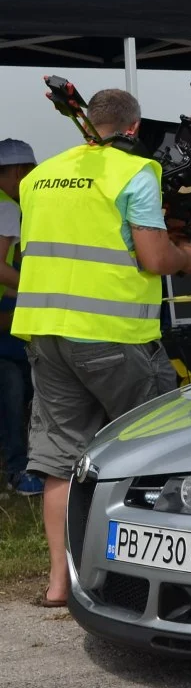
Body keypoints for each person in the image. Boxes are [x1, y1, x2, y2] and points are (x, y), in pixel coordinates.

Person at [12, 89, 191, 607]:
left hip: (46, 332)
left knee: (59, 459)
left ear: (90, 123)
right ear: (134, 128)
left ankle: (58, 584)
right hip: (114, 334)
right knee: (153, 451)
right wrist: (187, 257)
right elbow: (153, 257)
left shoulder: (39, 176)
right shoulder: (136, 172)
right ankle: (147, 579)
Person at [0, 139, 41, 496]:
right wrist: (35, 289)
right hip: (5, 320)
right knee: (15, 389)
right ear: (17, 172)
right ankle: (18, 469)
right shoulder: (8, 208)